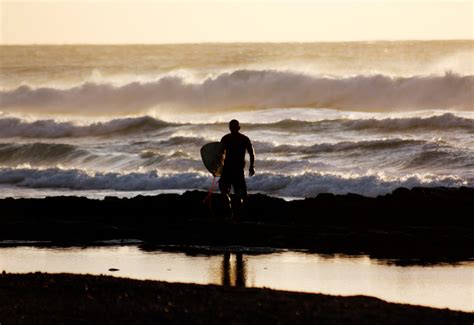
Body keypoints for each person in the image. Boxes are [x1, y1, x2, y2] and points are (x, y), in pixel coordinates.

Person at [219, 119, 255, 222]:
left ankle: (236, 215)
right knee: (227, 192)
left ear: (238, 128)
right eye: (231, 127)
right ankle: (233, 214)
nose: (233, 129)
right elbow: (220, 154)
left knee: (239, 194)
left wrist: (252, 166)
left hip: (235, 171)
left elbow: (251, 153)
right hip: (230, 171)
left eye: (234, 127)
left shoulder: (242, 139)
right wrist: (252, 166)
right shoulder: (226, 139)